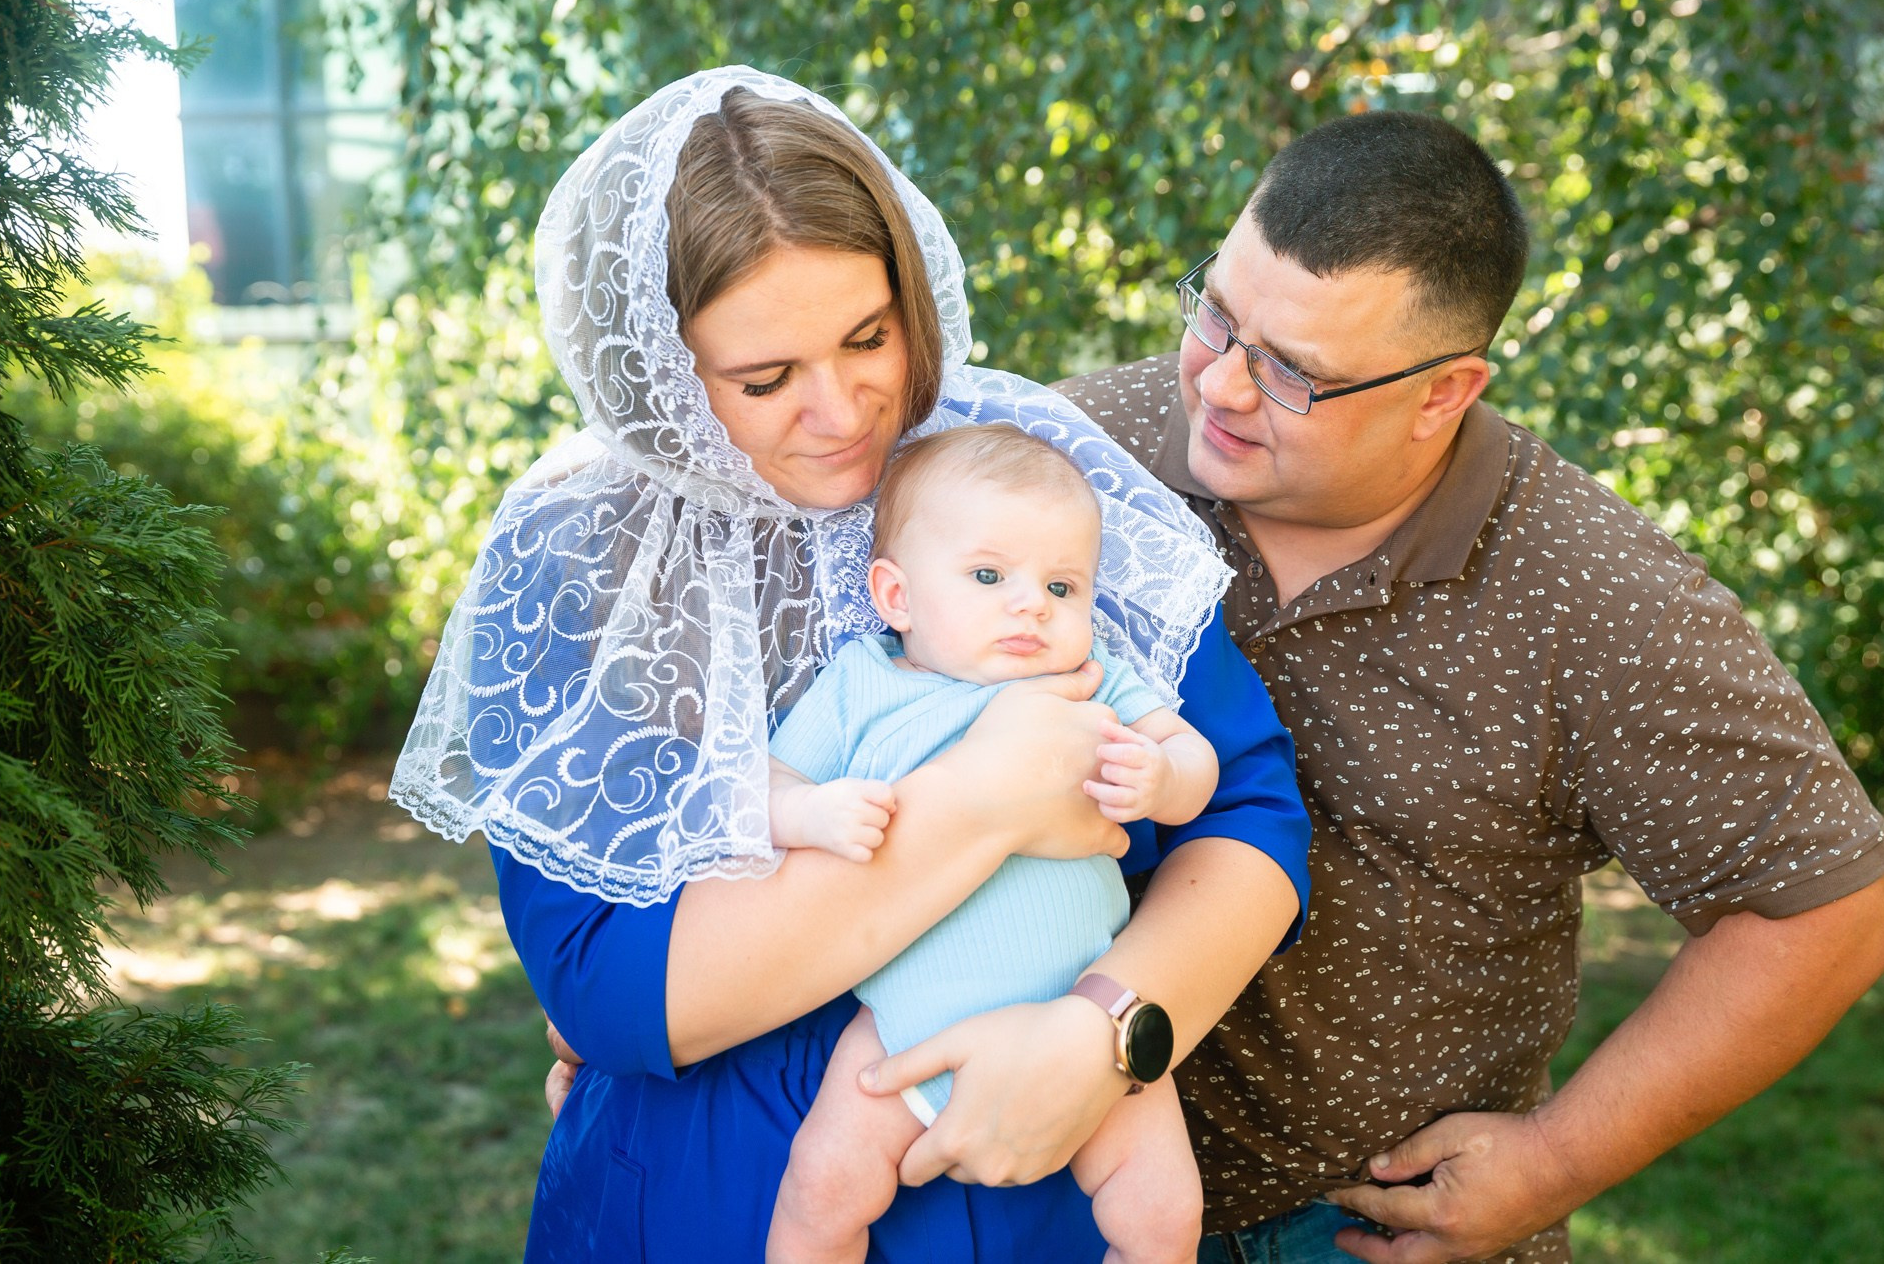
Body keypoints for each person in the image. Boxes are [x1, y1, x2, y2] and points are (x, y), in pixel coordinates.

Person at [392, 65, 1311, 1262]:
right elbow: (604, 984)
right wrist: (985, 802)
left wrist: (1106, 1032)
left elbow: (1246, 809)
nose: (840, 411)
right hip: (704, 1200)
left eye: (868, 337)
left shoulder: (1010, 463)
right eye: (762, 379)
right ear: (660, 378)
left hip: (1034, 1171)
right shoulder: (582, 558)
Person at [1055, 110, 1884, 1263]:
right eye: (1216, 311)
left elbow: (1831, 905)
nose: (1218, 384)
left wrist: (1555, 1159)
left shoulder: (1593, 596)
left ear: (1442, 391)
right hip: (1053, 1196)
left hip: (1362, 1227)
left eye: (1294, 372)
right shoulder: (1069, 458)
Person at [767, 424, 1214, 1264]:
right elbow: (765, 786)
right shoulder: (865, 682)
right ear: (896, 595)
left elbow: (1196, 761)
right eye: (987, 576)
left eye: (1062, 584)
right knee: (822, 1187)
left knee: (1164, 1214)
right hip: (905, 1022)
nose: (1031, 604)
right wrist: (812, 815)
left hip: (1081, 1019)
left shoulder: (1094, 677)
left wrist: (1160, 776)